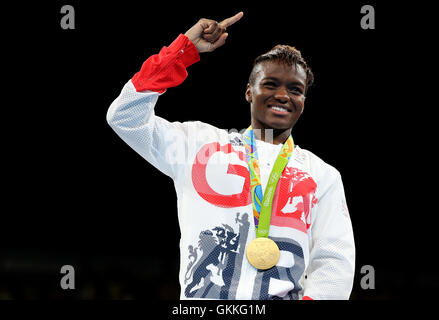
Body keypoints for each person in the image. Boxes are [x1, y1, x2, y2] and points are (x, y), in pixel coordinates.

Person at [106, 12, 355, 300]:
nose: (283, 95)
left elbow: (334, 263)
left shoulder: (321, 174)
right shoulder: (199, 145)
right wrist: (182, 52)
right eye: (271, 84)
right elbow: (125, 117)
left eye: (295, 89)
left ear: (303, 101)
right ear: (249, 91)